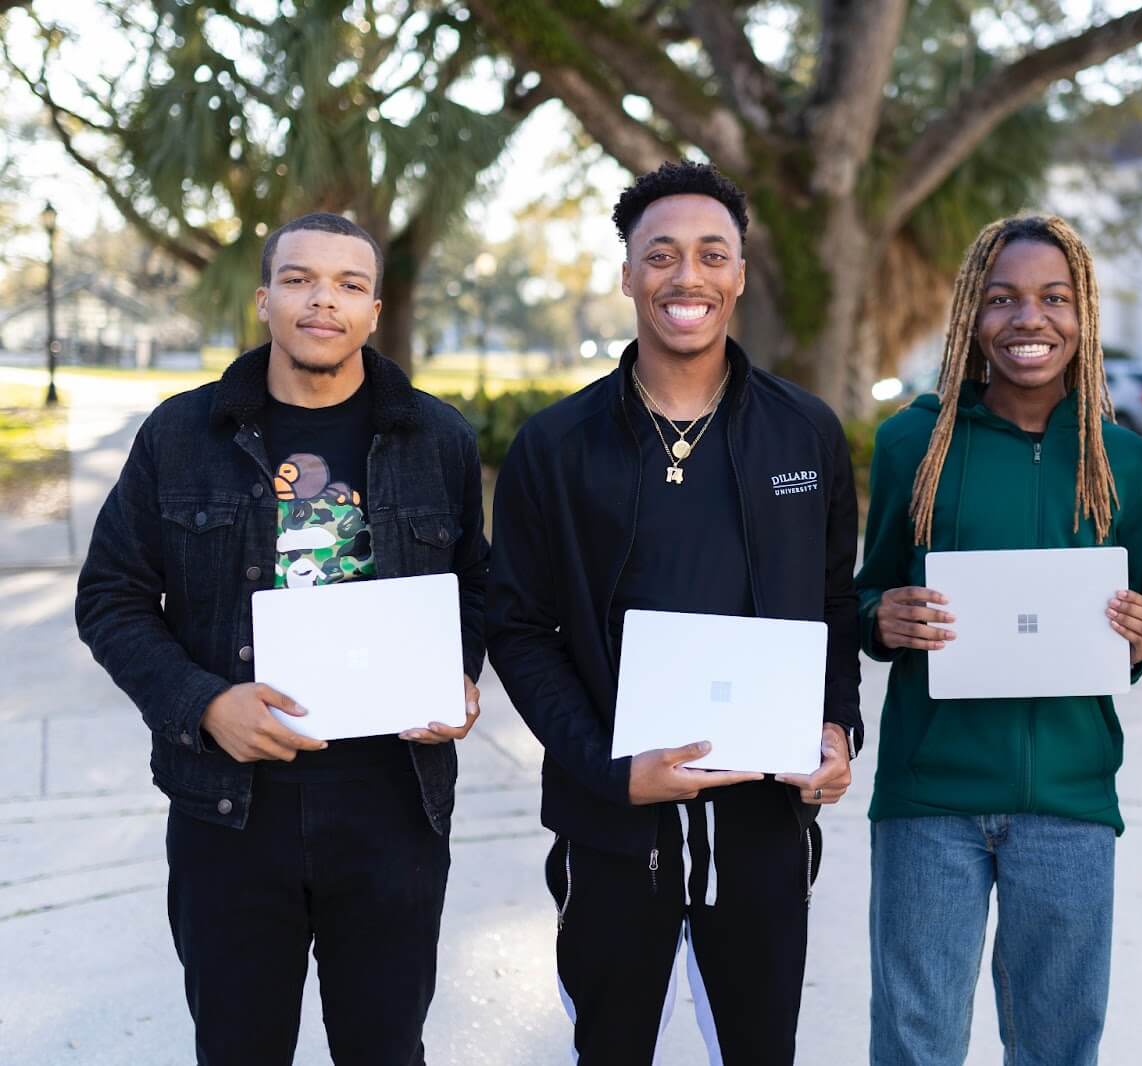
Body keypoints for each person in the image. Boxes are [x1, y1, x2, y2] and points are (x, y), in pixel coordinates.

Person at [75, 211, 489, 1066]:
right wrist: (204, 704)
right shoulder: (181, 436)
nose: (322, 301)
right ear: (264, 300)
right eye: (299, 279)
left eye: (348, 284)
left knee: (385, 1049)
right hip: (230, 813)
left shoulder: (438, 439)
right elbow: (110, 597)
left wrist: (459, 676)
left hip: (392, 808)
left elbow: (477, 588)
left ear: (375, 311)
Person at [485, 160, 862, 1064]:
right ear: (626, 275)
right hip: (612, 829)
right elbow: (520, 627)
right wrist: (608, 769)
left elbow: (831, 604)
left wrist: (839, 727)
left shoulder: (805, 431)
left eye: (711, 254)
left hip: (765, 829)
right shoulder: (555, 445)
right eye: (661, 255)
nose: (686, 277)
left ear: (737, 273)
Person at [856, 215, 1142, 1066]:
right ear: (970, 317)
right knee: (916, 1042)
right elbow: (863, 591)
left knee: (1059, 1047)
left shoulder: (1124, 465)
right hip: (931, 801)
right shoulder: (911, 445)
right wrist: (879, 618)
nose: (1029, 319)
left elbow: (1130, 639)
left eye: (1054, 298)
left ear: (1085, 314)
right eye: (1003, 299)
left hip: (1068, 801)